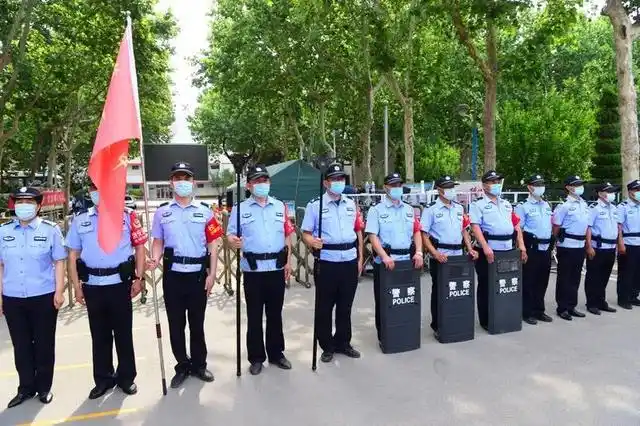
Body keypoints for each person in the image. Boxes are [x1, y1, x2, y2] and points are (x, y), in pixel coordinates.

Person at [67, 180, 147, 399]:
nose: (98, 192)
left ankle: (126, 377)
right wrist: (76, 286)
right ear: (90, 191)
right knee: (99, 335)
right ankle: (103, 379)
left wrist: (139, 278)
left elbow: (140, 247)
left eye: (102, 186)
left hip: (120, 284)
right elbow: (73, 255)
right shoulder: (80, 219)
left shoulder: (127, 216)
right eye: (94, 188)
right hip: (92, 285)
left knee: (123, 334)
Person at [147, 162, 222, 388]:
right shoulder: (162, 212)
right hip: (173, 276)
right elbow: (158, 242)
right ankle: (182, 365)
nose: (182, 182)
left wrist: (212, 274)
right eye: (178, 178)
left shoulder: (206, 211)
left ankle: (199, 365)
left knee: (197, 324)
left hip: (198, 276)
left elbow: (213, 244)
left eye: (186, 178)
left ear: (193, 182)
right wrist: (154, 258)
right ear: (171, 183)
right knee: (176, 325)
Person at [0, 187, 66, 408]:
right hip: (13, 297)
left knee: (44, 344)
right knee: (21, 345)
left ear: (38, 206)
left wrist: (59, 291)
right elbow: (1, 265)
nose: (23, 205)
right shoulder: (3, 231)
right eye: (19, 201)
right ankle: (25, 387)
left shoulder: (50, 230)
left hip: (43, 296)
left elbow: (59, 261)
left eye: (28, 202)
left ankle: (44, 387)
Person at [226, 164, 295, 375]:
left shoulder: (280, 206)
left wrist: (288, 261)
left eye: (264, 180)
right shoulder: (240, 209)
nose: (261, 184)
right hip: (253, 270)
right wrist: (233, 241)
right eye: (256, 181)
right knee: (254, 316)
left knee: (275, 314)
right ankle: (256, 358)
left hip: (276, 267)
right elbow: (230, 235)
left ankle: (276, 354)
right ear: (248, 185)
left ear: (269, 182)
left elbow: (287, 235)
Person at [301, 163, 364, 363]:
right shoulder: (315, 205)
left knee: (345, 306)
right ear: (326, 183)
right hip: (327, 261)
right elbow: (305, 233)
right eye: (334, 179)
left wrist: (360, 257)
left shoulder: (351, 204)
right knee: (325, 307)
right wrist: (312, 242)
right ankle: (327, 346)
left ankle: (343, 342)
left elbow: (358, 231)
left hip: (349, 260)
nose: (339, 182)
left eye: (341, 179)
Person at [364, 172, 424, 345]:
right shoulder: (377, 210)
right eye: (393, 185)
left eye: (399, 185)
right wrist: (384, 256)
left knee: (406, 298)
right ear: (385, 187)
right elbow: (373, 236)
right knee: (385, 301)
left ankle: (404, 332)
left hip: (406, 261)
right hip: (386, 262)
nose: (397, 188)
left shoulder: (409, 209)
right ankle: (385, 336)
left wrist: (419, 252)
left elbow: (417, 231)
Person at [470, 170, 527, 330]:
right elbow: (475, 227)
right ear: (484, 185)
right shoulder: (478, 205)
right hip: (489, 250)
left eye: (498, 182)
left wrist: (521, 245)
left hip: (507, 250)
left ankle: (503, 315)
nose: (496, 184)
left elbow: (516, 225)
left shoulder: (507, 204)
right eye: (493, 182)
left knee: (505, 285)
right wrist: (485, 247)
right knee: (486, 286)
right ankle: (486, 320)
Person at [421, 176, 478, 336]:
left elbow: (464, 230)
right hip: (441, 256)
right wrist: (435, 253)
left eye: (452, 187)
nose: (451, 190)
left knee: (457, 289)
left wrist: (470, 248)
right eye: (448, 187)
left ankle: (455, 320)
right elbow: (424, 234)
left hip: (458, 255)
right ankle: (438, 325)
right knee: (440, 290)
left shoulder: (459, 208)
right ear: (439, 190)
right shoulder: (431, 209)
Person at [514, 174, 554, 325]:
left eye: (541, 184)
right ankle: (527, 311)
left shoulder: (546, 204)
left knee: (542, 281)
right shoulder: (523, 206)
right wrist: (522, 249)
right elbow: (519, 229)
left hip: (546, 247)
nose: (540, 187)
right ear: (529, 187)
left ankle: (539, 310)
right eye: (536, 185)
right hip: (531, 247)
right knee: (529, 281)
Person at [552, 175, 590, 321]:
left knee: (575, 277)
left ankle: (571, 306)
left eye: (581, 184)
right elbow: (556, 226)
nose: (580, 187)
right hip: (567, 245)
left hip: (580, 245)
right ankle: (562, 308)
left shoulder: (584, 204)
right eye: (576, 184)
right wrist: (555, 242)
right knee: (565, 278)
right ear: (568, 187)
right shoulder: (564, 206)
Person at [583, 182, 619, 315]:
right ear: (600, 193)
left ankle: (601, 301)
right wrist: (589, 246)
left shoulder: (613, 208)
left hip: (611, 247)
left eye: (612, 191)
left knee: (604, 276)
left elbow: (616, 227)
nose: (611, 194)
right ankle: (592, 303)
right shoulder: (594, 208)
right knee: (594, 276)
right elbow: (588, 227)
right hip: (597, 247)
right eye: (608, 191)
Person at [616, 179, 640, 309]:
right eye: (637, 190)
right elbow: (619, 226)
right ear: (630, 191)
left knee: (637, 272)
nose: (639, 192)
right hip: (628, 243)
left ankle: (633, 296)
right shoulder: (623, 206)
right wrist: (620, 243)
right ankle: (623, 298)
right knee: (626, 272)